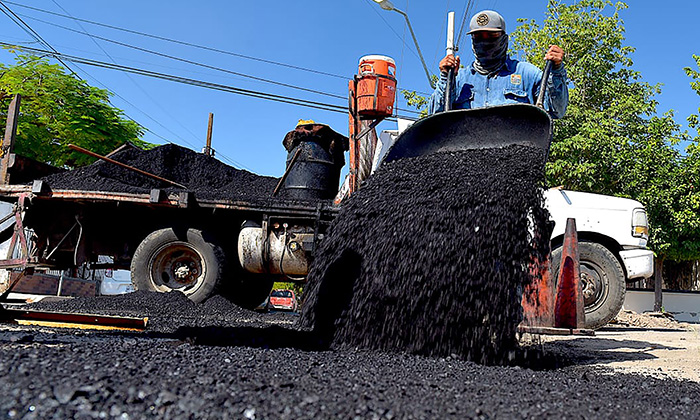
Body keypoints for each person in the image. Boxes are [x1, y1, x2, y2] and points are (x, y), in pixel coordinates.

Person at [428, 10, 568, 118]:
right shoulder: (458, 80)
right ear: (472, 40)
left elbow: (557, 111)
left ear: (503, 38)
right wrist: (446, 78)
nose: (485, 41)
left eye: (491, 35)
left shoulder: (527, 73)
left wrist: (556, 70)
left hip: (517, 153)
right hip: (466, 152)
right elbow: (435, 117)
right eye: (478, 36)